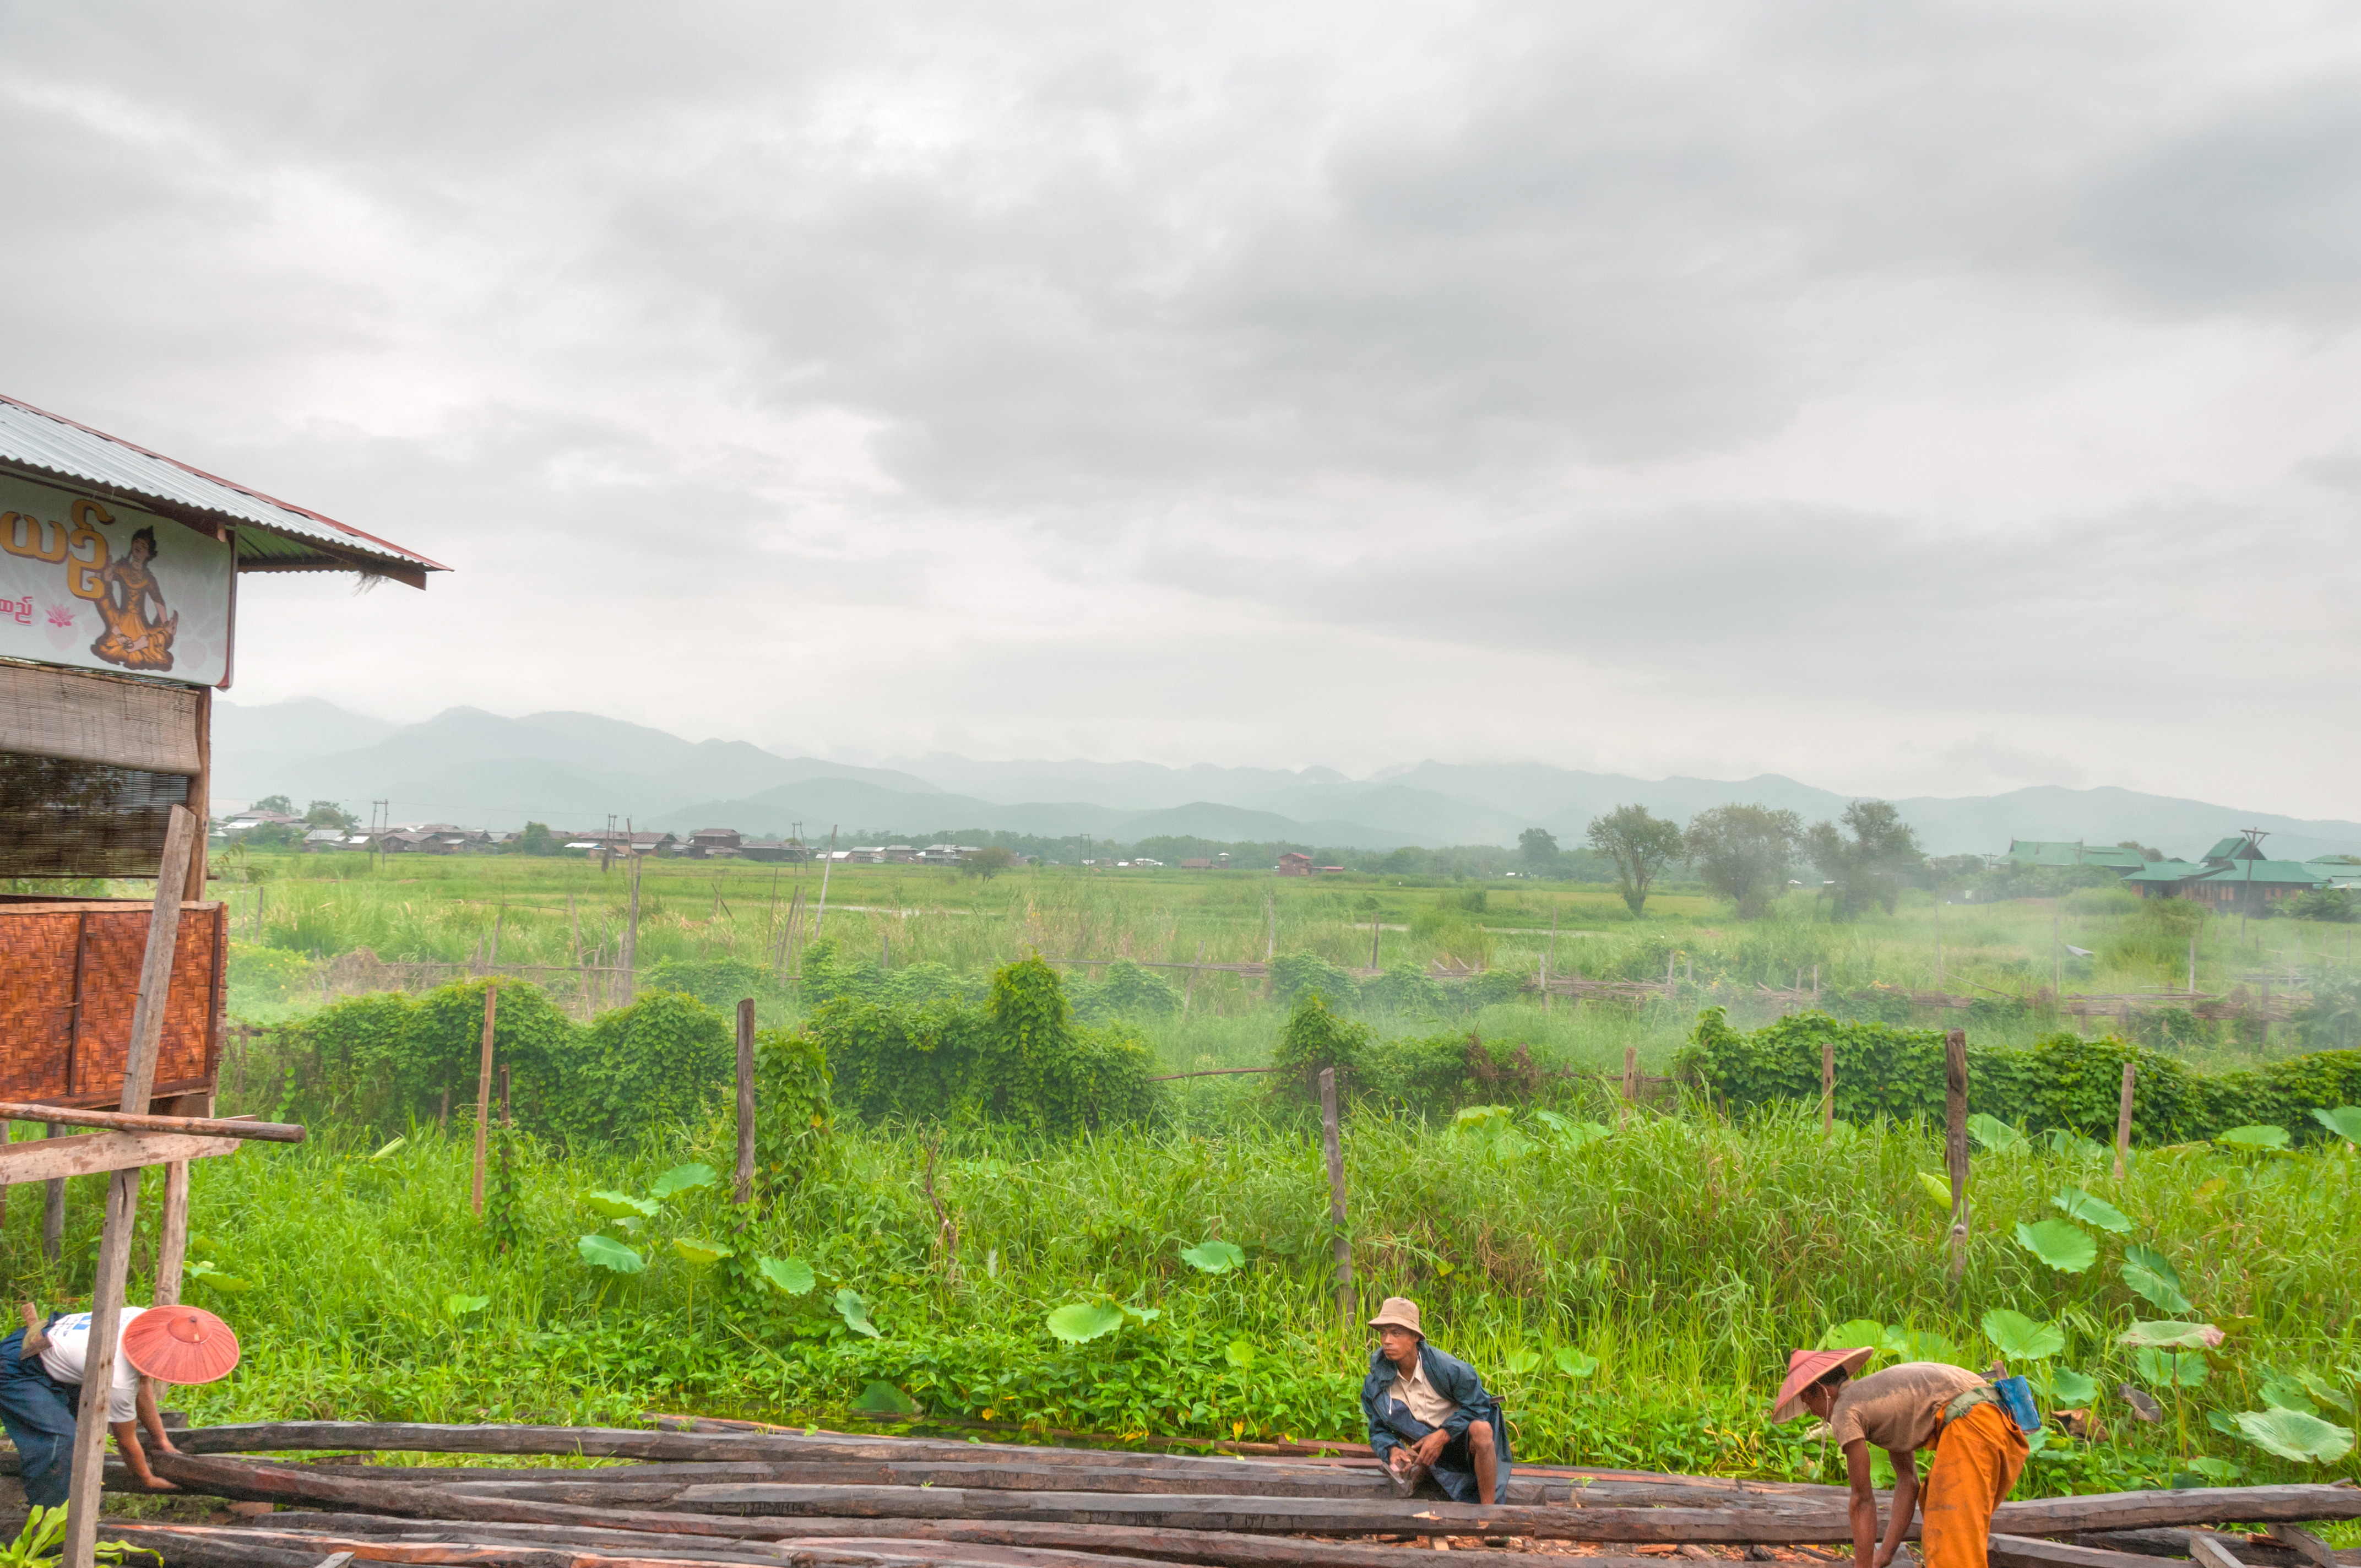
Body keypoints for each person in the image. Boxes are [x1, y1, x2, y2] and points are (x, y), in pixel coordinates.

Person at [1771, 1349, 2029, 1568]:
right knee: (1936, 1505)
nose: (1814, 1414)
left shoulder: (1845, 1411)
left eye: (1808, 1402)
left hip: (1973, 1428)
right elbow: (1908, 1481)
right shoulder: (1878, 1398)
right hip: (2001, 1422)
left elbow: (1862, 1501)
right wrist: (1883, 1556)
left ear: (1821, 1391)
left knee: (1952, 1544)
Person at [0, 1302, 240, 1507]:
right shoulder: (117, 1376)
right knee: (60, 1440)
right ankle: (48, 1523)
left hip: (53, 1351)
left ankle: (76, 1494)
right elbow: (125, 1438)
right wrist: (146, 1477)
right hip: (18, 1366)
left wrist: (161, 1440)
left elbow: (142, 1387)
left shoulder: (141, 1319)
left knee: (80, 1427)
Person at [1360, 1296, 1511, 1504]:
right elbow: (1378, 1429)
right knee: (1403, 1461)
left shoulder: (1449, 1369)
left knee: (1482, 1431)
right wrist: (1393, 1449)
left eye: (1396, 1333)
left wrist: (1442, 1436)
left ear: (1415, 1337)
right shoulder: (1376, 1383)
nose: (1387, 1340)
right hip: (1423, 1446)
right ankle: (1423, 1469)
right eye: (1383, 1333)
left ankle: (1489, 1514)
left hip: (1461, 1442)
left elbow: (1480, 1405)